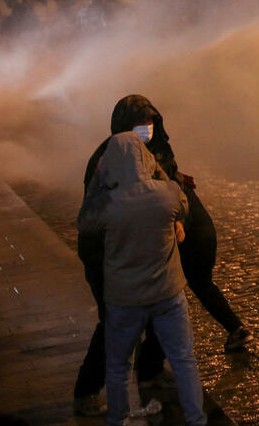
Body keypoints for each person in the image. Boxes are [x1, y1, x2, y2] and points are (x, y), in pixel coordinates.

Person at [73, 95, 251, 413]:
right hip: (109, 255)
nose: (147, 130)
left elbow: (174, 194)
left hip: (148, 250)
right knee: (112, 322)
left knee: (159, 307)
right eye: (139, 125)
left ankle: (151, 372)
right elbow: (90, 221)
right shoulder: (106, 160)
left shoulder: (158, 152)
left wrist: (177, 220)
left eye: (150, 123)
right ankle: (86, 392)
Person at [77, 132, 207, 426]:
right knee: (184, 360)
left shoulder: (109, 203)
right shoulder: (167, 195)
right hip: (168, 295)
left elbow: (84, 223)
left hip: (125, 300)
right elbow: (183, 204)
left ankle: (118, 420)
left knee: (118, 366)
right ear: (144, 159)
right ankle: (196, 420)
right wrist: (156, 169)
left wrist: (99, 179)